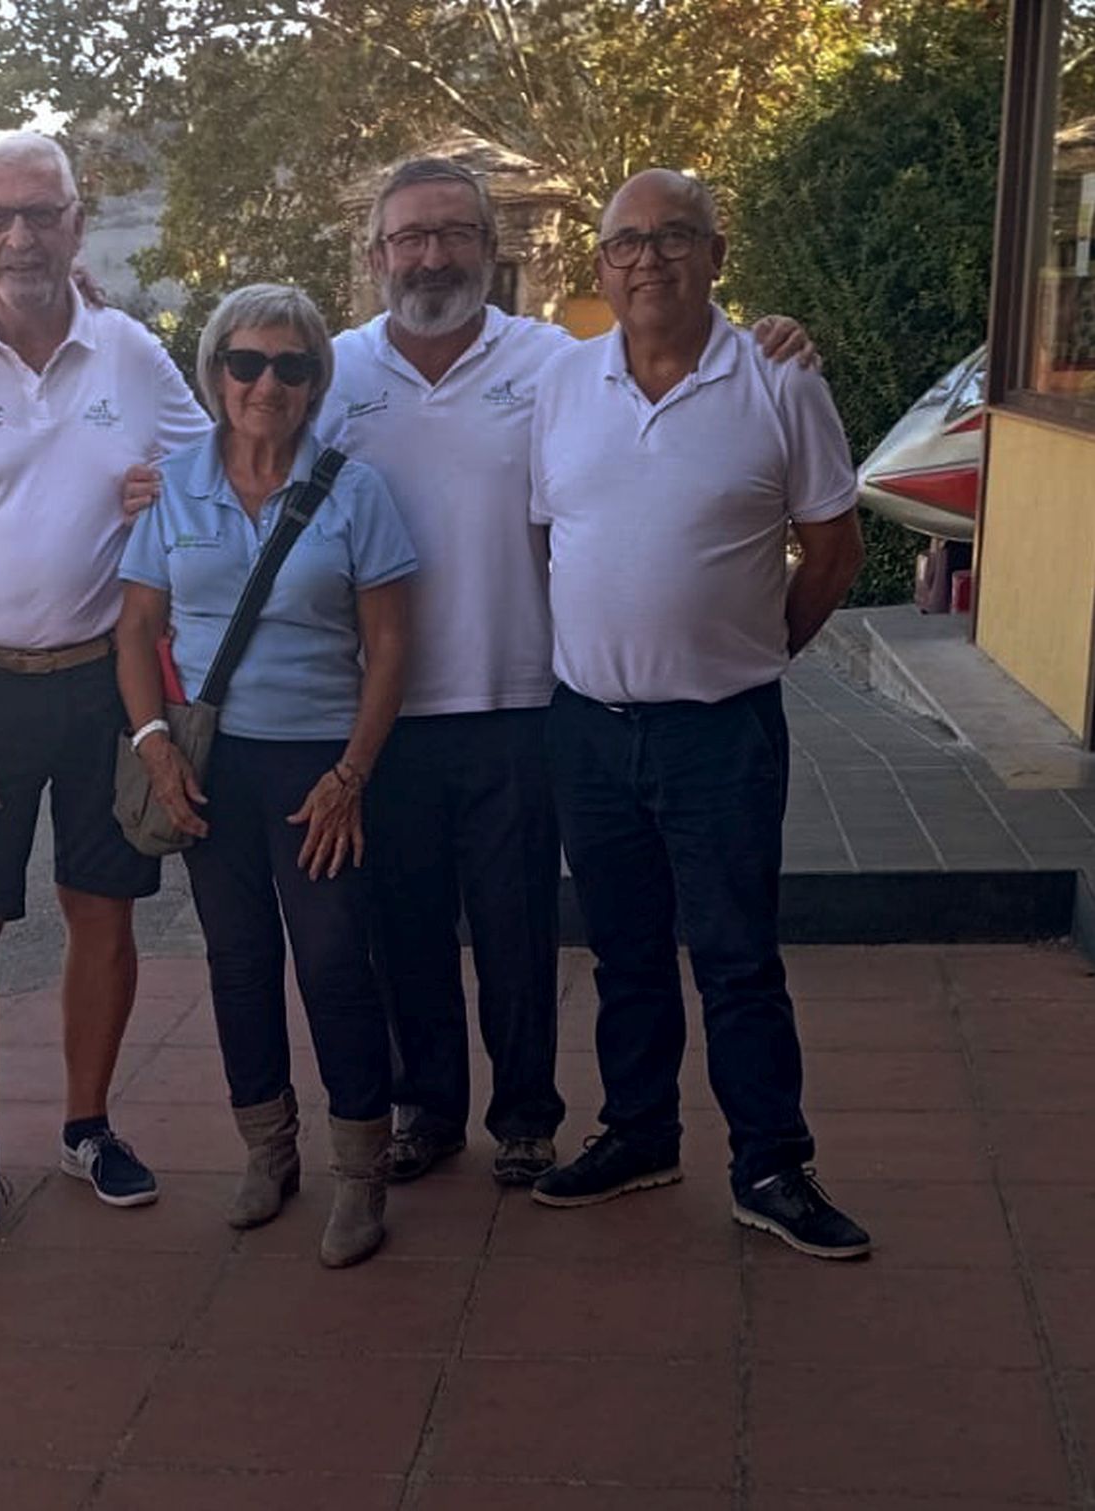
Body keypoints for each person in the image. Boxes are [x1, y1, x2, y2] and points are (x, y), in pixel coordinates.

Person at [316, 158, 821, 1189]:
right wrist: (151, 484)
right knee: (413, 930)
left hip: (526, 698)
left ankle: (537, 1120)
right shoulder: (333, 374)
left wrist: (771, 337)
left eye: (455, 233)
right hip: (389, 708)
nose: (431, 255)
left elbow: (815, 536)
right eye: (410, 236)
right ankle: (436, 1111)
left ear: (489, 247)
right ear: (375, 256)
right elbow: (244, 446)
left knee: (528, 932)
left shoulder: (550, 361)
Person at [0, 130, 213, 1240]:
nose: (19, 236)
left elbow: (216, 472)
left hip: (108, 687)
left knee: (103, 911)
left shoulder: (130, 351)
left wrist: (167, 491)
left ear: (77, 222)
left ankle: (87, 1125)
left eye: (40, 213)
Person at [527, 170, 871, 1260]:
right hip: (589, 726)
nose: (649, 259)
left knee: (736, 958)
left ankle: (771, 1163)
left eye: (675, 236)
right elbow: (548, 537)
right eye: (626, 242)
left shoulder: (778, 377)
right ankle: (639, 1132)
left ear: (716, 255)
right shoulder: (563, 383)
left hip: (719, 730)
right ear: (601, 264)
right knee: (624, 953)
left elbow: (835, 548)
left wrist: (758, 652)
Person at [116, 283, 415, 1266]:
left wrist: (353, 773)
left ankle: (361, 1168)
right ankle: (267, 1149)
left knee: (332, 961)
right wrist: (153, 743)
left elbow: (390, 643)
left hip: (318, 765)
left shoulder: (356, 492)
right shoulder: (173, 486)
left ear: (315, 381)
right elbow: (136, 630)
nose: (266, 384)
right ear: (216, 373)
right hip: (211, 763)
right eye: (246, 362)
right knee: (238, 959)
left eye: (291, 366)